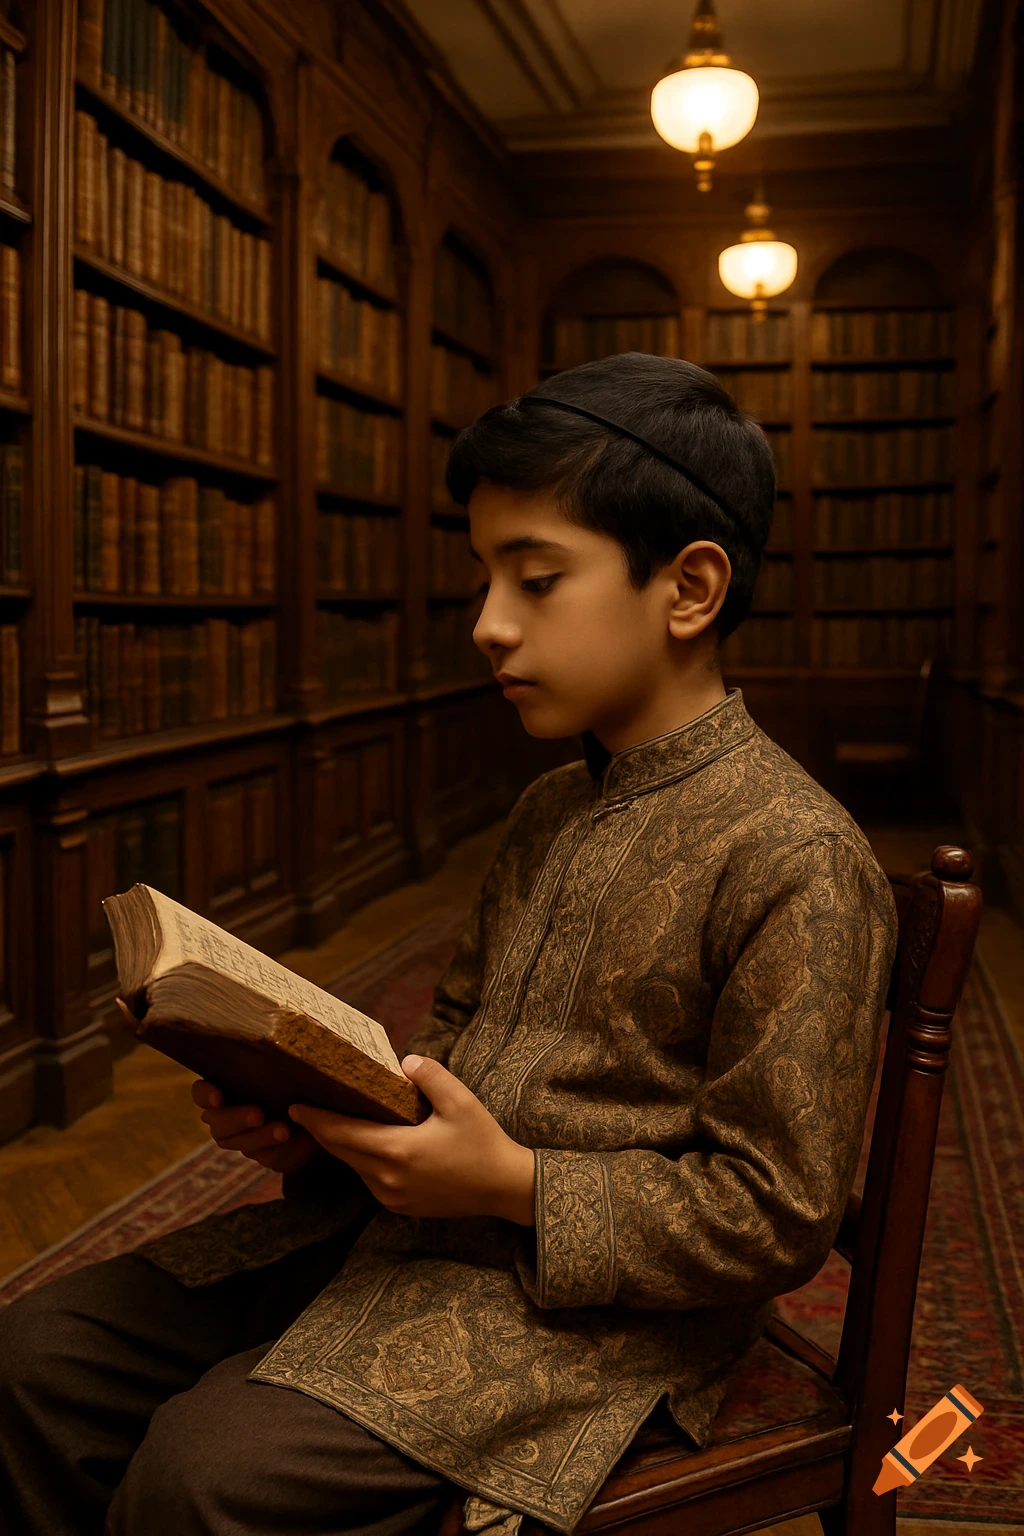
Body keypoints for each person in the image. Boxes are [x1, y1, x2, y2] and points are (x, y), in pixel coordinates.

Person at [0, 353, 898, 1536]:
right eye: (485, 578)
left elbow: (776, 1212)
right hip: (401, 1229)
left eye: (535, 580)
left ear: (688, 589)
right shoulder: (543, 811)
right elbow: (453, 1051)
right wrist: (312, 1120)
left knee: (207, 1473)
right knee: (35, 1356)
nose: (486, 625)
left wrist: (512, 1183)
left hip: (600, 1316)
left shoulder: (798, 856)